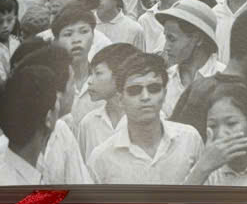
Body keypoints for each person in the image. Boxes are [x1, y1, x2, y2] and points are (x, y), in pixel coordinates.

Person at [87, 52, 203, 184]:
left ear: (164, 94)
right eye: (135, 90)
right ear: (120, 99)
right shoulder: (101, 159)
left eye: (154, 88)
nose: (145, 97)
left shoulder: (190, 140)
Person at [184, 85, 247, 186]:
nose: (221, 134)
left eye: (231, 123)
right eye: (213, 126)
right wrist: (203, 169)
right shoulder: (205, 167)